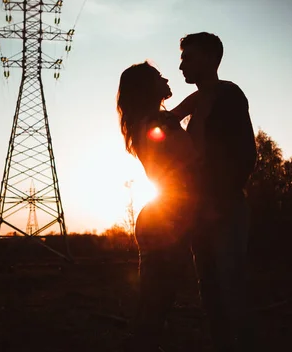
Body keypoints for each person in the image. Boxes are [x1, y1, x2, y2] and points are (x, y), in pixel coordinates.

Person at [176, 32, 257, 351]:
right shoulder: (196, 104)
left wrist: (219, 201)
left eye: (188, 57)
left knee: (230, 289)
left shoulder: (229, 95)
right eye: (182, 58)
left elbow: (246, 155)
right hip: (200, 214)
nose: (182, 64)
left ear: (211, 59)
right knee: (209, 292)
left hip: (224, 210)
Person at [116, 61, 201, 352]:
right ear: (145, 88)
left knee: (156, 301)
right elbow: (185, 169)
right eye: (157, 76)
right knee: (156, 302)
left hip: (164, 216)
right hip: (166, 220)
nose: (166, 77)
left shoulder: (154, 120)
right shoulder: (155, 124)